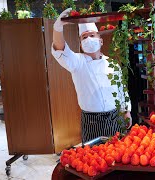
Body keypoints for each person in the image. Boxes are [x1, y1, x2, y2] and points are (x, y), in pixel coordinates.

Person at [51, 8, 132, 143]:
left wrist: (126, 111)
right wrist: (57, 28)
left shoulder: (112, 63)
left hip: (115, 117)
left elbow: (121, 89)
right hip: (92, 121)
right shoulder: (77, 62)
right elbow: (60, 48)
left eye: (92, 35)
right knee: (93, 158)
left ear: (100, 40)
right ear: (81, 45)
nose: (88, 39)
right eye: (84, 37)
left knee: (117, 155)